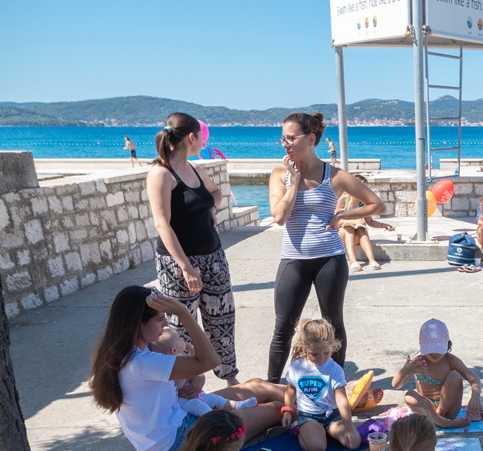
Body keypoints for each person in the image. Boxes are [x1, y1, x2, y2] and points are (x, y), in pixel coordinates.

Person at [89, 287, 286, 451]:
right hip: (177, 441)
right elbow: (211, 361)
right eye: (159, 319)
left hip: (173, 422)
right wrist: (183, 313)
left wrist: (198, 379)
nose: (165, 323)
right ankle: (311, 410)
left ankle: (311, 396)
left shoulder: (124, 350)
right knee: (277, 409)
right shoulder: (142, 363)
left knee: (258, 385)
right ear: (138, 324)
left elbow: (193, 373)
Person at [267, 111, 386, 383]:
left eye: (290, 138)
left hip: (329, 259)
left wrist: (344, 215)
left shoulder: (335, 175)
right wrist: (294, 182)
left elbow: (377, 205)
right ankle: (272, 388)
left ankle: (335, 384)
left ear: (310, 139)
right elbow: (279, 217)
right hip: (293, 259)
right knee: (283, 327)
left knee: (333, 326)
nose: (285, 144)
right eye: (282, 139)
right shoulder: (279, 175)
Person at [147, 113, 238, 382]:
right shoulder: (161, 174)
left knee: (221, 321)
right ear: (191, 137)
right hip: (178, 263)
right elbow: (162, 225)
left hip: (213, 255)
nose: (202, 141)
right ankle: (183, 383)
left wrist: (212, 206)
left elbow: (217, 192)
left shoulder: (196, 169)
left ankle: (229, 376)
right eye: (200, 137)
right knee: (180, 326)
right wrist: (186, 266)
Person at [389, 318, 483, 429]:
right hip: (427, 408)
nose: (434, 353)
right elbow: (396, 385)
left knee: (455, 375)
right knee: (409, 395)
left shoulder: (451, 361)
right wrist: (406, 370)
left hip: (450, 410)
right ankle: (443, 422)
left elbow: (474, 379)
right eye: (430, 349)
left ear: (447, 344)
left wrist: (475, 397)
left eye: (438, 349)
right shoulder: (417, 362)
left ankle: (438, 419)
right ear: (421, 345)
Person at [281, 318, 362, 451]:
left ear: (332, 346)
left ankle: (325, 432)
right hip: (308, 415)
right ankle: (300, 429)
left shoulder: (334, 369)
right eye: (314, 354)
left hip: (332, 415)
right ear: (305, 347)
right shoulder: (297, 366)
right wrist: (287, 410)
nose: (321, 359)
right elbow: (290, 389)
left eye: (326, 353)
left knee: (353, 443)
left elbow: (341, 400)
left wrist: (348, 426)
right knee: (317, 448)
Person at [152, 327, 255, 417]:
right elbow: (178, 385)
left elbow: (194, 364)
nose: (182, 339)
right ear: (174, 350)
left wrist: (192, 350)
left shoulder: (181, 357)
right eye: (179, 339)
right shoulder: (170, 366)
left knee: (216, 399)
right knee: (201, 408)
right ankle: (214, 418)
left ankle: (237, 405)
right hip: (183, 400)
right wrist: (187, 372)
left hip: (198, 394)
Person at [337, 178, 397, 273]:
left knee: (361, 228)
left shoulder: (363, 203)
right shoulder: (342, 200)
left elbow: (370, 222)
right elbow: (336, 221)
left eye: (366, 187)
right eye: (362, 186)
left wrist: (384, 225)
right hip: (343, 234)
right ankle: (353, 260)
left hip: (356, 235)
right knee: (349, 228)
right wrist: (354, 222)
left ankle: (372, 260)